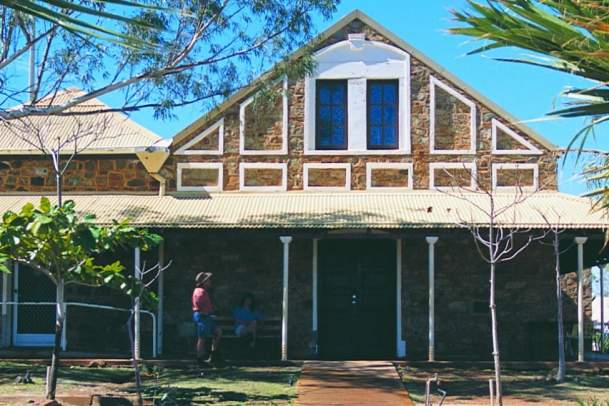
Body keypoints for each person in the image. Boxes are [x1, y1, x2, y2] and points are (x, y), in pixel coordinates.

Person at [192, 272, 222, 365]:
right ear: (204, 282)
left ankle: (213, 355)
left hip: (206, 316)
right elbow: (200, 304)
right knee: (202, 337)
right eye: (208, 280)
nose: (210, 281)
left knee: (218, 332)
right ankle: (200, 359)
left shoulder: (203, 291)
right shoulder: (200, 291)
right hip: (202, 316)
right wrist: (207, 312)